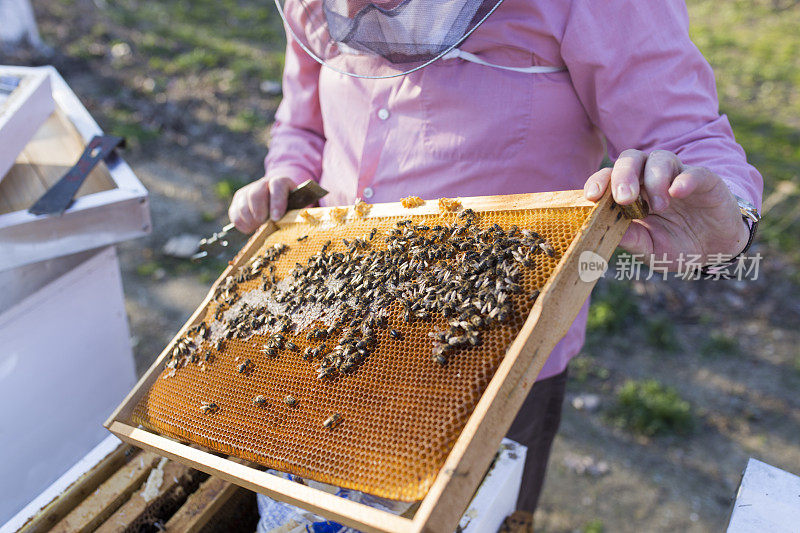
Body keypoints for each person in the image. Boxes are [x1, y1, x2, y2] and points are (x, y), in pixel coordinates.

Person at [228, 0, 763, 517]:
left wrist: (724, 218)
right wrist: (287, 179)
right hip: (328, 329)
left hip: (492, 353)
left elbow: (688, 137)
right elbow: (303, 126)